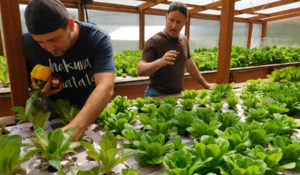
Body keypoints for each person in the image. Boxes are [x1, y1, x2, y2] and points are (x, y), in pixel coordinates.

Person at [23, 0, 115, 141]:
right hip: (54, 114)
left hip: (91, 114)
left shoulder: (96, 38)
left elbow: (105, 87)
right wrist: (38, 91)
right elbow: (26, 82)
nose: (49, 48)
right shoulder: (28, 44)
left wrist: (75, 128)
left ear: (70, 25)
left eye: (54, 40)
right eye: (40, 42)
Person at [137, 1, 212, 97]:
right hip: (156, 95)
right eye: (171, 20)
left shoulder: (184, 39)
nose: (174, 26)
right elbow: (140, 70)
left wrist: (205, 84)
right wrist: (160, 62)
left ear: (185, 21)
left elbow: (189, 64)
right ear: (166, 17)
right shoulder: (155, 41)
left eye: (178, 22)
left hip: (177, 95)